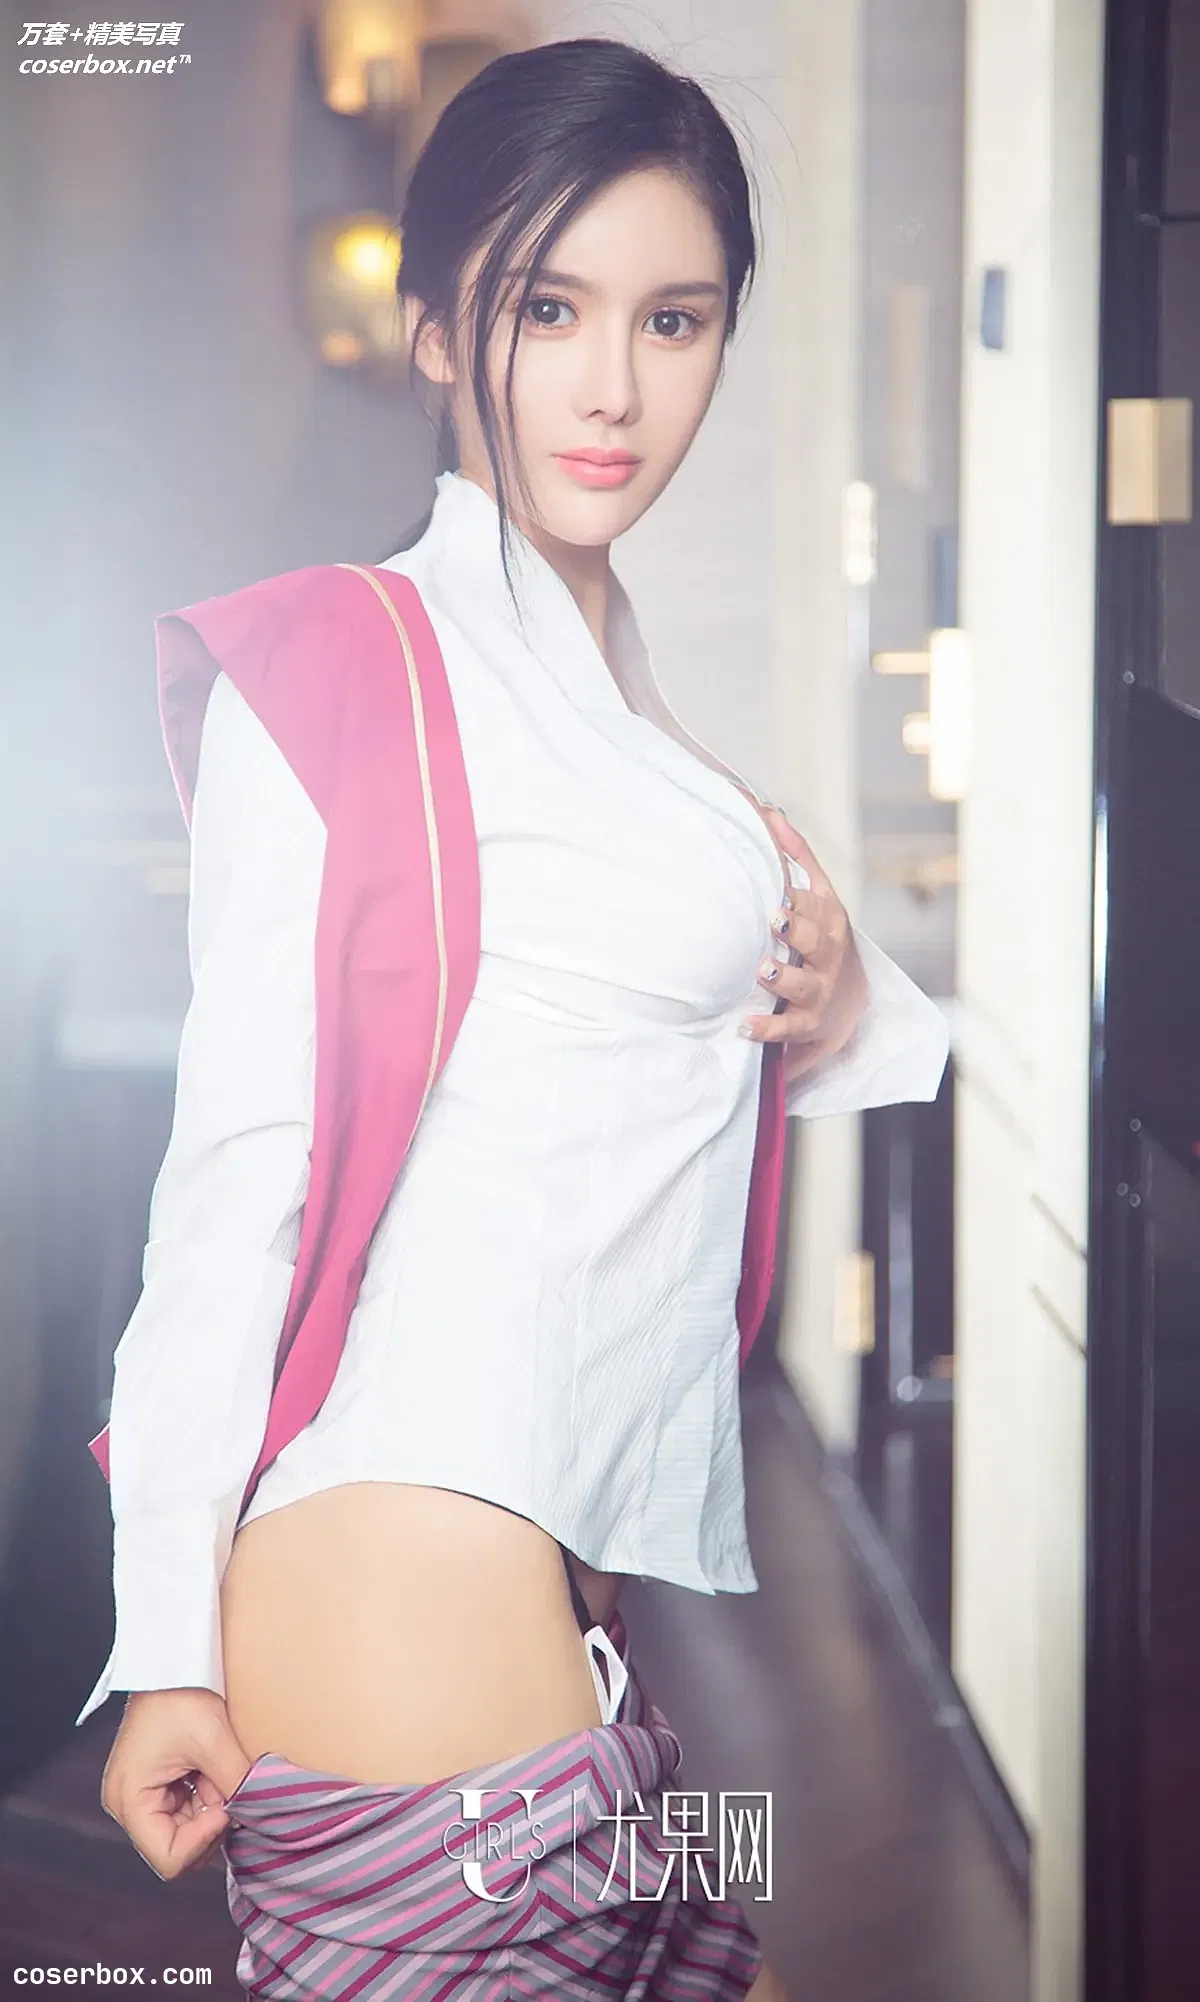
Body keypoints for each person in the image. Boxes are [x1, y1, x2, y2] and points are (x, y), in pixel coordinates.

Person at [88, 37, 949, 1999]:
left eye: (674, 318)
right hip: (399, 1583)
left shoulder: (625, 708)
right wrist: (163, 1647)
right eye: (547, 310)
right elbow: (233, 1191)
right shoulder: (342, 662)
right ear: (434, 328)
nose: (613, 384)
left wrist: (827, 983)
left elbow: (743, 1037)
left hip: (567, 1620)